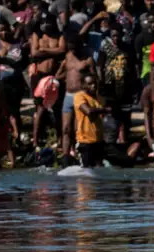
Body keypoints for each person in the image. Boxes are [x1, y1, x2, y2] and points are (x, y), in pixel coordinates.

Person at [56, 35, 95, 167]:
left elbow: (94, 77)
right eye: (70, 47)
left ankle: (80, 154)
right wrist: (66, 78)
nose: (72, 50)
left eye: (74, 47)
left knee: (78, 128)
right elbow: (59, 74)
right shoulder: (68, 56)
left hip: (81, 96)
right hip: (68, 95)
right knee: (66, 128)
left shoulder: (87, 58)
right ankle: (66, 157)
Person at [30, 11, 65, 149]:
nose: (45, 25)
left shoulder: (59, 35)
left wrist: (44, 50)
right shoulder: (36, 35)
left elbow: (62, 50)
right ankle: (35, 141)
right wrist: (52, 51)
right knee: (40, 108)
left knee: (57, 108)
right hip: (41, 75)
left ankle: (60, 139)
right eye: (43, 22)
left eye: (47, 22)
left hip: (55, 75)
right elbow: (34, 52)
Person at [97, 23, 135, 145]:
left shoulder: (127, 48)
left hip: (125, 86)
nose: (116, 38)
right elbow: (99, 66)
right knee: (111, 113)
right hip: (109, 86)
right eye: (113, 36)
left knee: (125, 114)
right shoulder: (105, 48)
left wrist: (134, 83)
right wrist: (101, 83)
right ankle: (108, 140)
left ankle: (123, 140)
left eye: (118, 36)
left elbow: (133, 67)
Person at [73, 73, 111, 167]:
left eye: (94, 83)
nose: (93, 86)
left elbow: (97, 116)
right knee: (86, 170)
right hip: (85, 141)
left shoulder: (100, 99)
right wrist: (105, 110)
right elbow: (88, 111)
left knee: (99, 168)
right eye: (89, 84)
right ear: (83, 85)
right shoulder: (79, 96)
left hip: (98, 140)